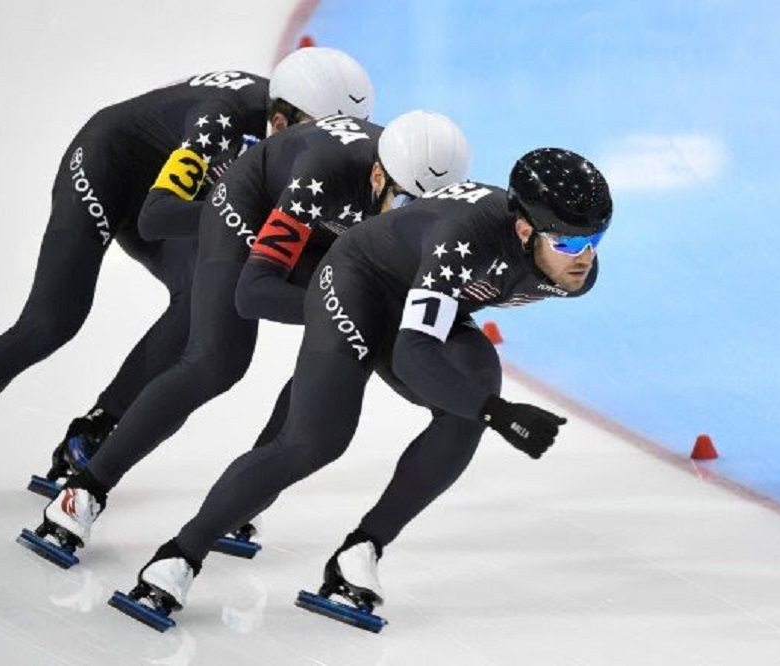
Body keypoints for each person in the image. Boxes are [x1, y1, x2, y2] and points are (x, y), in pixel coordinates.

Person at [0, 47, 375, 516]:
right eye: (314, 134)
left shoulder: (310, 152)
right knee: (50, 322)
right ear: (279, 120)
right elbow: (156, 217)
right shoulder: (222, 122)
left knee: (198, 298)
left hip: (179, 187)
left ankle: (97, 426)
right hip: (108, 167)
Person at [113, 147, 613, 631]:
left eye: (595, 239)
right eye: (568, 243)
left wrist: (482, 406)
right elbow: (414, 355)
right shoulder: (465, 238)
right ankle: (179, 555)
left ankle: (361, 550)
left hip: (420, 298)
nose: (584, 257)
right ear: (524, 229)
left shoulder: (570, 274)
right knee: (317, 440)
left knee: (471, 397)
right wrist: (497, 413)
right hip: (358, 282)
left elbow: (433, 331)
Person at [23, 110, 473, 565]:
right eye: (403, 207)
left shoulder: (426, 208)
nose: (411, 224)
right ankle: (86, 489)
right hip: (250, 210)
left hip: (333, 233)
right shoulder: (323, 174)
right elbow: (253, 292)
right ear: (378, 175)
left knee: (340, 356)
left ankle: (245, 496)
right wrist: (348, 312)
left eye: (425, 214)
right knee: (216, 362)